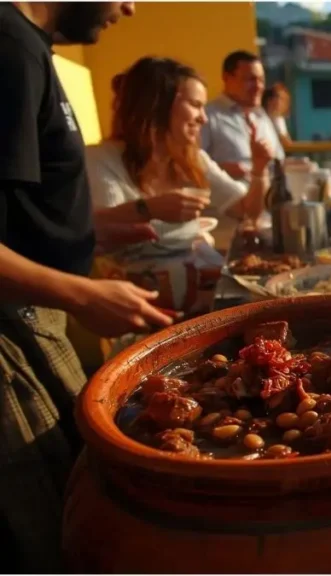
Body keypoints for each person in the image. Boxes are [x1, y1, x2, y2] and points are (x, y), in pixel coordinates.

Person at [0, 2, 173, 571]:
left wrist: (119, 222)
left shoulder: (32, 49)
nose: (130, 7)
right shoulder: (10, 46)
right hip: (13, 338)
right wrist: (83, 295)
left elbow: (30, 212)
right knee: (53, 529)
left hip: (36, 319)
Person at [87, 57, 270, 251]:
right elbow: (98, 232)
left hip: (193, 275)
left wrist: (259, 169)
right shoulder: (100, 159)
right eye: (195, 104)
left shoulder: (193, 159)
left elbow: (246, 211)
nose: (204, 118)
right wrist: (149, 209)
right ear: (157, 105)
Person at [201, 50, 282, 181]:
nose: (258, 86)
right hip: (230, 199)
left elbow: (279, 161)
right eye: (250, 79)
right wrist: (220, 169)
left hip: (270, 198)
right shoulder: (207, 117)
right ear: (227, 78)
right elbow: (190, 165)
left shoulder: (262, 117)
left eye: (261, 80)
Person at [262, 82, 292, 147]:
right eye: (280, 98)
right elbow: (285, 141)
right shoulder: (260, 117)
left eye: (284, 99)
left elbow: (287, 141)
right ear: (268, 100)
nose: (282, 103)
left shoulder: (279, 118)